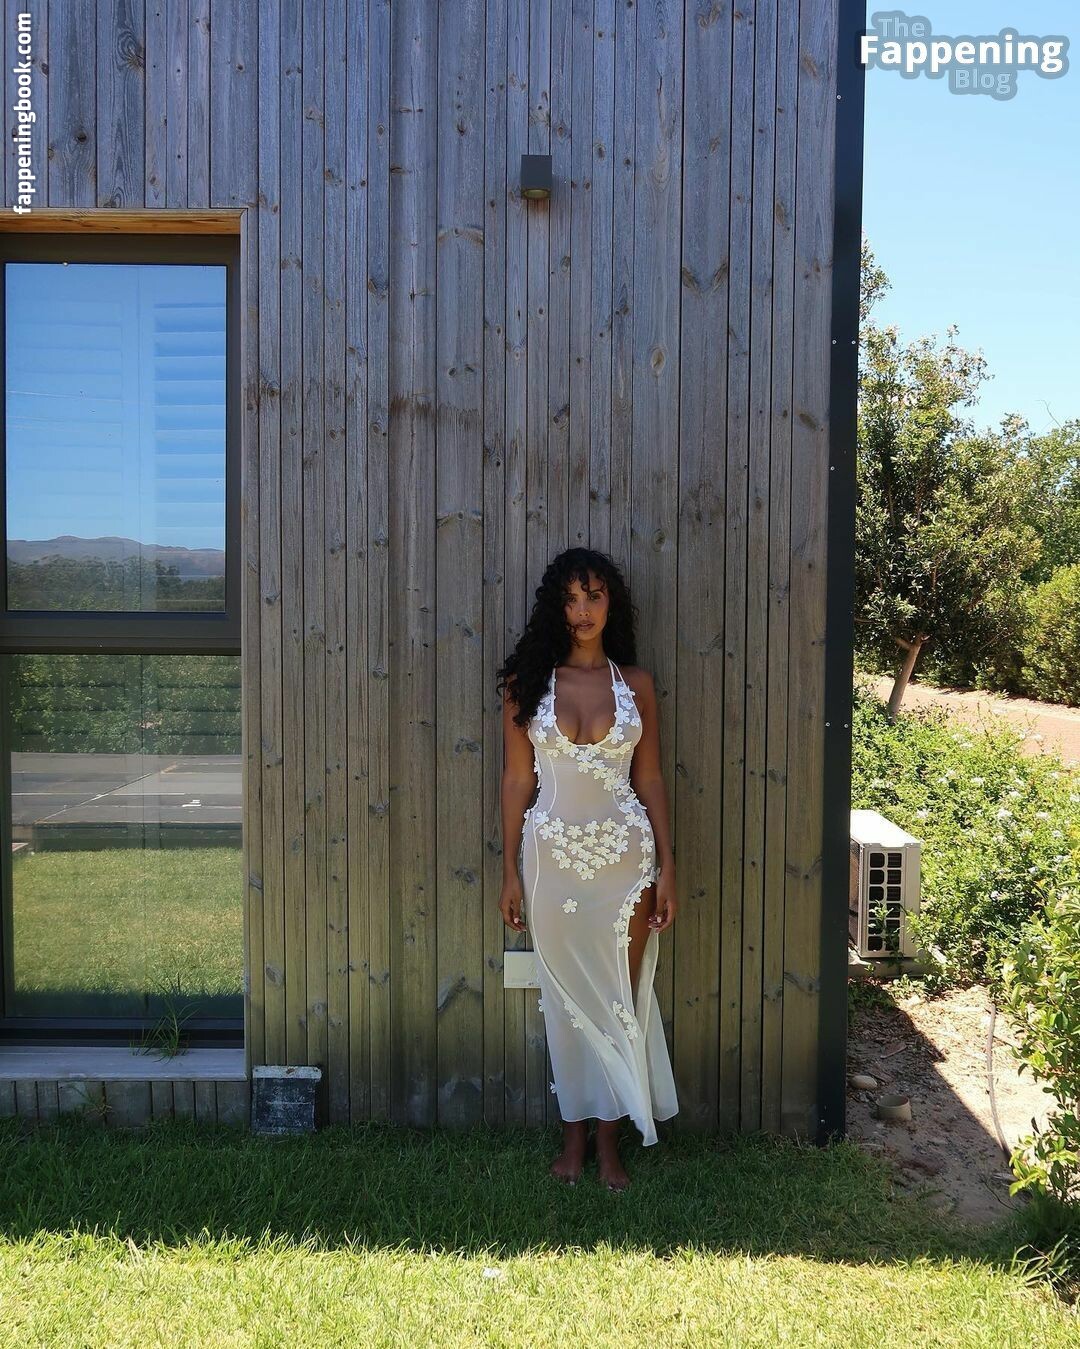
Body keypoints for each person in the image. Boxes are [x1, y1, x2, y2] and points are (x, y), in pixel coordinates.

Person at [496, 547, 679, 1190]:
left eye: (594, 596)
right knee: (566, 1002)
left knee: (617, 1001)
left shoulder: (637, 686)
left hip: (626, 863)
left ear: (611, 604)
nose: (582, 610)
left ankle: (608, 1142)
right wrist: (509, 870)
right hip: (549, 862)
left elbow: (649, 778)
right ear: (557, 607)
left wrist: (669, 866)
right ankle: (572, 1137)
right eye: (571, 599)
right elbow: (516, 781)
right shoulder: (527, 685)